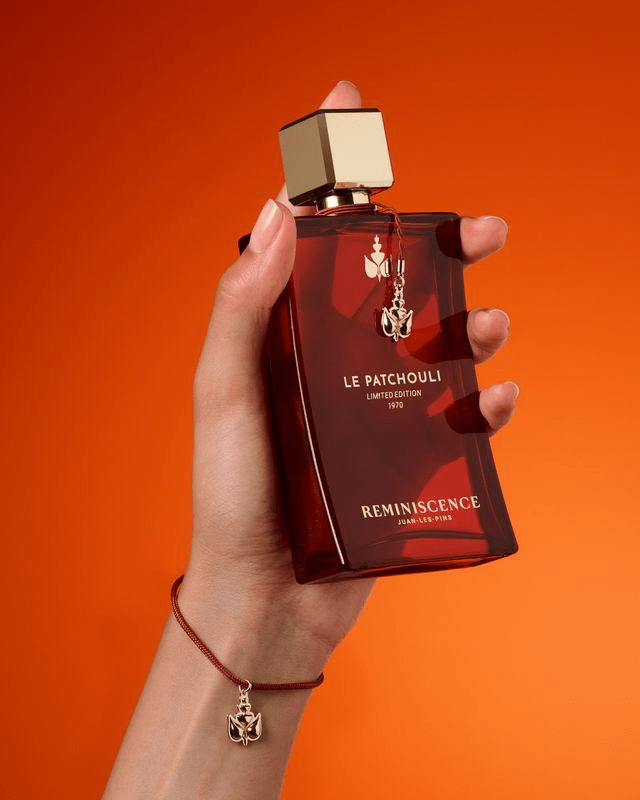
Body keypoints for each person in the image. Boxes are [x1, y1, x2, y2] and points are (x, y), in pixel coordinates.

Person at [103, 80, 518, 799]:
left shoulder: (411, 238)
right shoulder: (321, 252)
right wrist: (253, 590)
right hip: (297, 558)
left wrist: (264, 620)